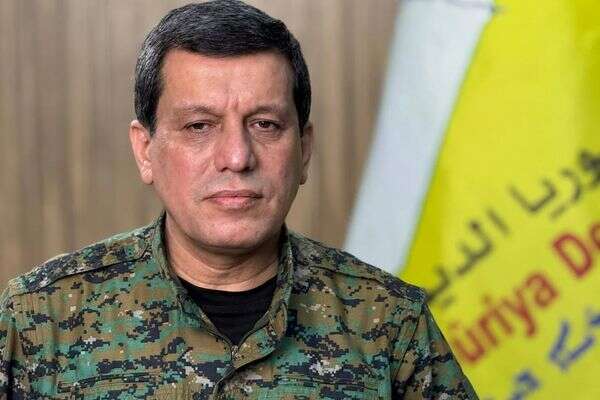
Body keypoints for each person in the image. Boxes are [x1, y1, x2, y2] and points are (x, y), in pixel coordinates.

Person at [0, 1, 478, 399]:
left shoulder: (391, 322)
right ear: (145, 150)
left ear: (304, 149)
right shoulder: (41, 319)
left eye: (265, 124)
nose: (236, 156)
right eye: (199, 126)